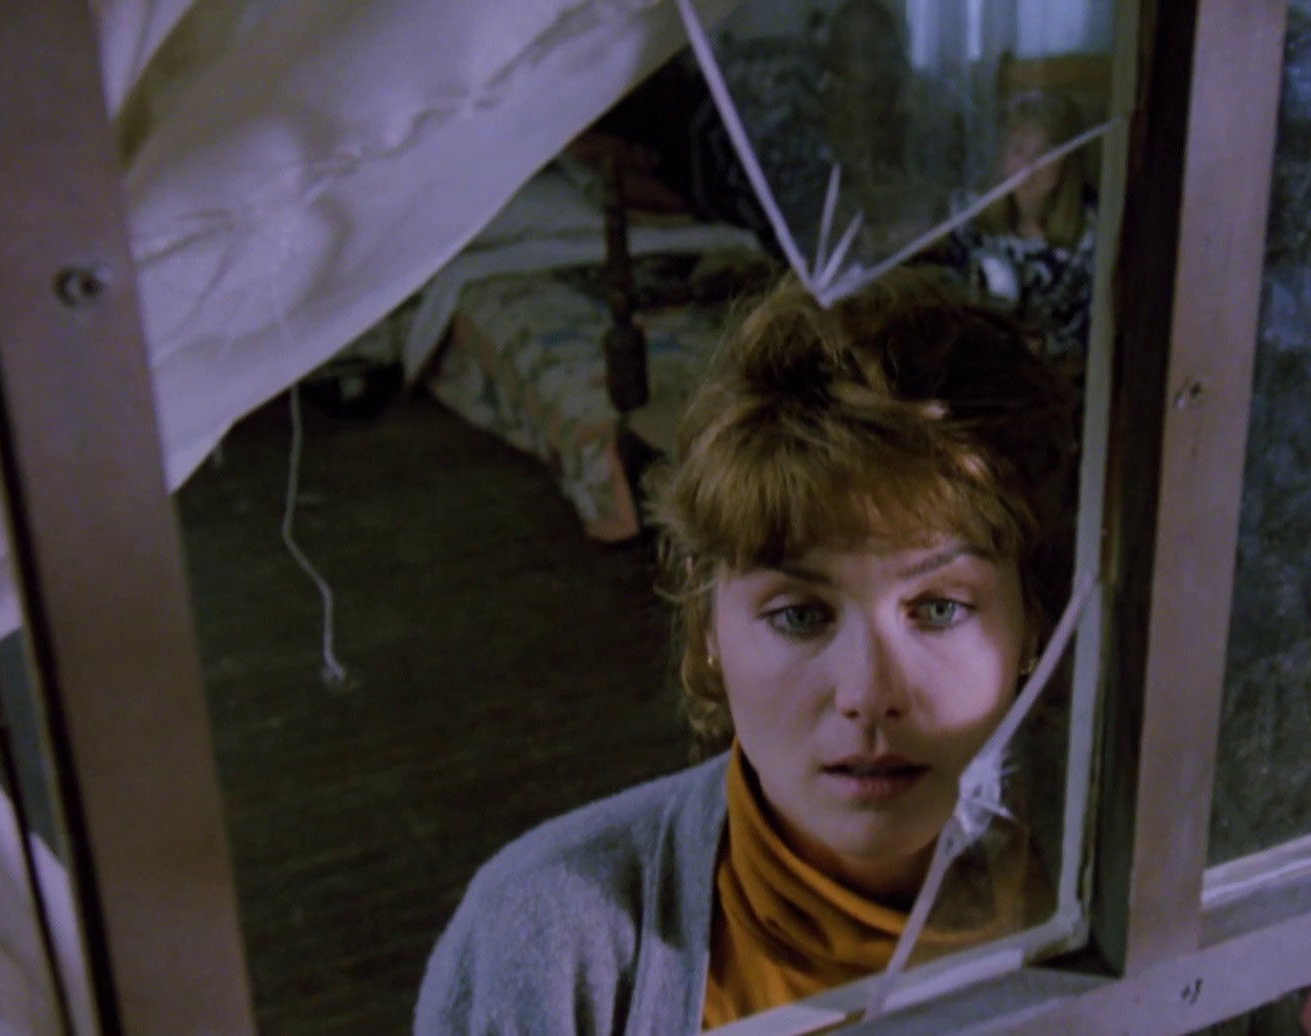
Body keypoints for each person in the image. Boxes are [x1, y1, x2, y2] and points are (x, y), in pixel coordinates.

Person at [415, 269, 1076, 1033]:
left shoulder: (1129, 881)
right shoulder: (546, 940)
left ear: (1031, 625)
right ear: (707, 631)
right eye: (799, 615)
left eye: (938, 608)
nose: (868, 694)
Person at [945, 90, 1098, 367]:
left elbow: (1085, 340)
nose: (1028, 167)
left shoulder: (1090, 233)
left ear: (1067, 162)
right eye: (1017, 149)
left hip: (1050, 377)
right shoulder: (971, 218)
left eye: (1044, 153)